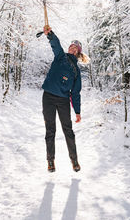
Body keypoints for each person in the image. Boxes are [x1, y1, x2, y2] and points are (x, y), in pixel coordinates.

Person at [41, 25, 84, 173]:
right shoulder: (60, 56)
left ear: (78, 53)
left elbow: (76, 93)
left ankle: (74, 160)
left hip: (63, 101)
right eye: (71, 46)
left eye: (75, 48)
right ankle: (50, 161)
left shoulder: (76, 71)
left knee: (68, 130)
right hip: (48, 97)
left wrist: (77, 112)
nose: (72, 48)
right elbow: (56, 45)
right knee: (50, 130)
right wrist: (50, 34)